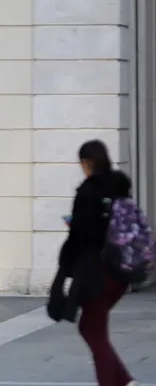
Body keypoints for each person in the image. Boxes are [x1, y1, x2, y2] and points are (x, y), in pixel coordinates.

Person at [51, 140, 138, 386]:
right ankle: (124, 381)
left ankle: (117, 382)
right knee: (92, 327)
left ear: (86, 163)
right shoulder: (120, 185)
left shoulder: (88, 192)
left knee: (93, 330)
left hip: (98, 273)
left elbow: (82, 236)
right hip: (121, 270)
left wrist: (65, 266)